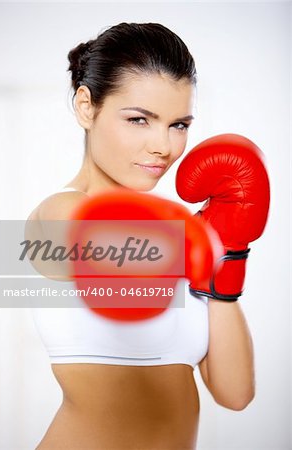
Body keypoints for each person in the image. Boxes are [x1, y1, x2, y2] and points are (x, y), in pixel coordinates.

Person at [27, 22, 260, 450]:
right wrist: (209, 242)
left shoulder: (184, 239)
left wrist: (232, 254)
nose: (164, 146)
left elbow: (235, 393)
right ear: (86, 107)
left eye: (178, 125)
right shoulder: (57, 212)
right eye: (139, 119)